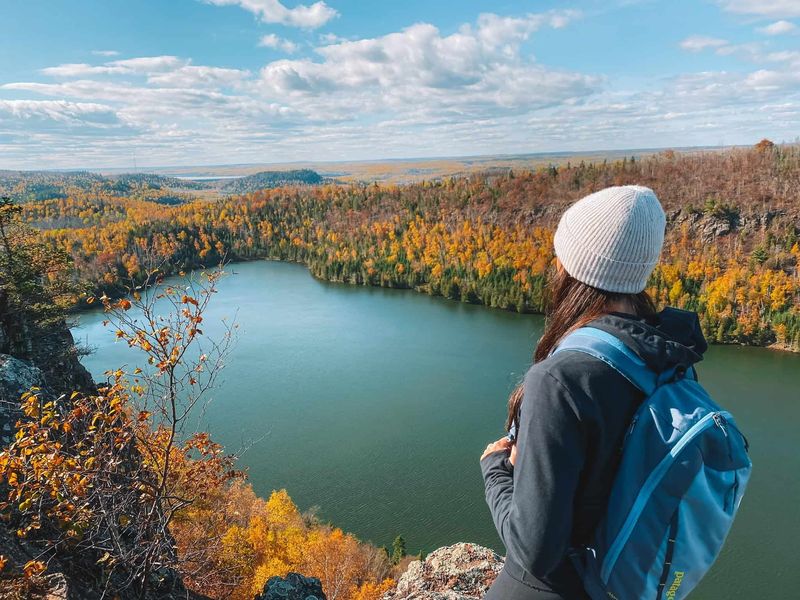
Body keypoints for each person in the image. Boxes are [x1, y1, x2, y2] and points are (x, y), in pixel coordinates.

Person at [479, 185, 708, 600]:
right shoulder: (669, 358)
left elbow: (535, 552)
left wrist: (496, 469)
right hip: (623, 579)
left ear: (571, 267)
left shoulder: (561, 379)